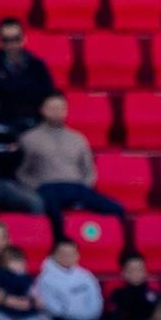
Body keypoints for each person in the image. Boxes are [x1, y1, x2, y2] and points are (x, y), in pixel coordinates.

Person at [18, 93, 125, 236]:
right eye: (52, 108)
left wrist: (85, 185)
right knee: (54, 213)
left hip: (76, 186)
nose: (57, 112)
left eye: (61, 108)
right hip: (47, 187)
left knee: (117, 209)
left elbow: (89, 170)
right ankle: (60, 248)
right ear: (42, 110)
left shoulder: (78, 138)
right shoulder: (29, 139)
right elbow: (21, 171)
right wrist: (35, 186)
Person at [0, 19, 53, 130]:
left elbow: (48, 95)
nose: (12, 44)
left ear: (24, 39)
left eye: (16, 39)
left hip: (34, 123)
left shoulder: (37, 66)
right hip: (1, 124)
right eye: (6, 40)